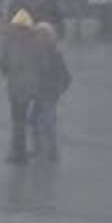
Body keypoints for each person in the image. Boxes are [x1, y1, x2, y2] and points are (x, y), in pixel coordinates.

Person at [0, 9, 46, 164]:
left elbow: (2, 63)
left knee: (18, 121)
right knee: (27, 120)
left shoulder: (9, 39)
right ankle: (30, 151)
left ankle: (19, 154)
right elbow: (45, 64)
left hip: (17, 86)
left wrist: (8, 71)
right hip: (33, 86)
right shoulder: (38, 41)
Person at [31, 22, 72, 161]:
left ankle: (52, 151)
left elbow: (66, 76)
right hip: (35, 93)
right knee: (33, 121)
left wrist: (58, 89)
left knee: (48, 122)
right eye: (37, 35)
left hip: (49, 94)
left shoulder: (55, 54)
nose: (39, 38)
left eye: (43, 35)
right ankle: (38, 148)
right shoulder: (33, 52)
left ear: (49, 37)